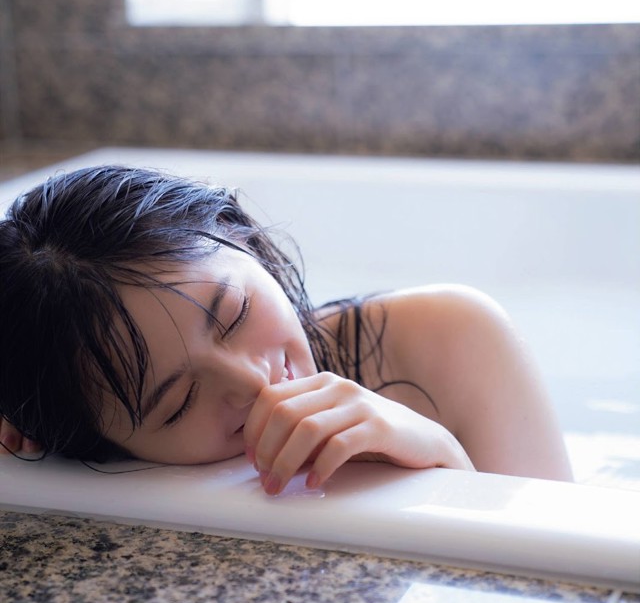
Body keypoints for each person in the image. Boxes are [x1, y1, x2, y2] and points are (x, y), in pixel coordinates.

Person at [0, 165, 573, 494]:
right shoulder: (98, 469)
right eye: (179, 403)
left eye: (235, 315)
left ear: (246, 240)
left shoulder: (455, 337)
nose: (254, 383)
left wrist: (444, 465)